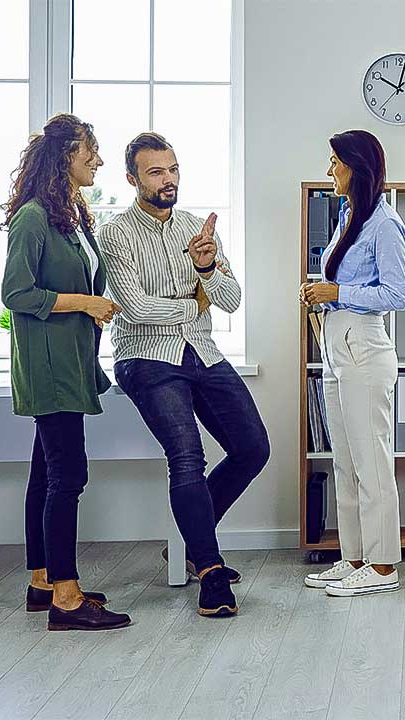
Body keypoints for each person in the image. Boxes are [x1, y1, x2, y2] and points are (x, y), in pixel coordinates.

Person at [99, 132, 270, 618]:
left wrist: (209, 266)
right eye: (156, 172)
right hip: (146, 358)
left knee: (253, 448)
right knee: (187, 455)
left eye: (172, 169)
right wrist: (193, 303)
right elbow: (133, 310)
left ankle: (192, 543)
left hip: (202, 353)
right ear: (132, 179)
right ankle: (211, 572)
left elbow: (232, 300)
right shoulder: (116, 234)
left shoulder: (198, 230)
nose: (168, 179)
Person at [1, 113, 129, 631]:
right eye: (90, 151)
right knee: (68, 474)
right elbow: (15, 293)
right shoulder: (32, 218)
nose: (97, 159)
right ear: (64, 158)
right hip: (50, 367)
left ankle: (43, 582)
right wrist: (86, 302)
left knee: (45, 474)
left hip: (67, 363)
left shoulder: (64, 216)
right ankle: (68, 600)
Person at [299, 130, 405, 597]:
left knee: (372, 460)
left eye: (335, 162)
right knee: (345, 460)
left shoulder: (385, 224)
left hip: (365, 348)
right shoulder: (347, 216)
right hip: (336, 346)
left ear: (357, 168)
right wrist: (321, 298)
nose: (329, 171)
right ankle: (354, 558)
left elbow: (397, 294)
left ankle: (384, 566)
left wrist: (336, 293)